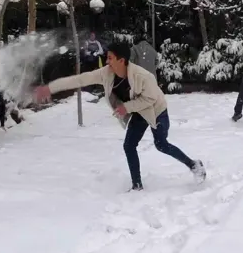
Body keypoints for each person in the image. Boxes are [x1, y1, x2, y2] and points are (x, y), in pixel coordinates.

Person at [34, 42, 206, 191]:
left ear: (121, 60)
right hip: (138, 111)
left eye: (110, 58)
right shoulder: (106, 73)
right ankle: (137, 185)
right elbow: (81, 79)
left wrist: (126, 107)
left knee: (161, 144)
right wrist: (50, 88)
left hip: (156, 109)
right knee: (129, 146)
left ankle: (194, 165)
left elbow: (150, 98)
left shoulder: (143, 76)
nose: (107, 61)